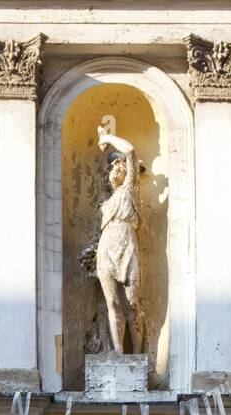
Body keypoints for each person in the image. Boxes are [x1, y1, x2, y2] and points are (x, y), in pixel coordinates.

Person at [94, 122, 145, 355]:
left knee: (133, 302)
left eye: (119, 164)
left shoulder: (130, 190)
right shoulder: (107, 203)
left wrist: (108, 137)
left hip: (127, 245)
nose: (115, 167)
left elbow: (130, 151)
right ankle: (118, 354)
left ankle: (136, 355)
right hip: (106, 248)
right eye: (112, 166)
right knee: (112, 303)